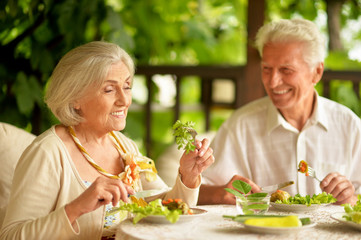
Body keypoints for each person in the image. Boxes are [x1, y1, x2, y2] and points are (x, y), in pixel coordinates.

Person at [0, 41, 214, 239]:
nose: (124, 100)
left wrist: (188, 176)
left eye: (127, 86)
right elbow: (11, 235)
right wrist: (77, 207)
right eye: (109, 89)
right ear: (75, 99)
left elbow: (164, 209)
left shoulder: (123, 146)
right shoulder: (48, 152)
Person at [198, 18, 361, 206]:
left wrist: (351, 198)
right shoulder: (241, 125)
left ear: (317, 72)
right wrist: (220, 193)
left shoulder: (349, 124)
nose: (273, 82)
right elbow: (197, 191)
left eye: (286, 70)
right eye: (266, 69)